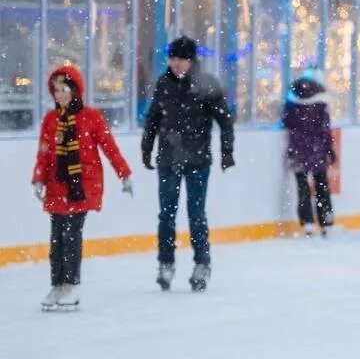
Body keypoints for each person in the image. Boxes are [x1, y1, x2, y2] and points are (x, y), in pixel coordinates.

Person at [31, 65, 133, 311]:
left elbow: (110, 148)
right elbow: (44, 154)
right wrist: (38, 178)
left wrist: (124, 174)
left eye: (64, 89)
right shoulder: (50, 120)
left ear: (75, 90)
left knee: (71, 235)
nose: (59, 94)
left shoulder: (91, 117)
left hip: (82, 186)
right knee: (57, 238)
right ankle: (57, 284)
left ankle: (71, 284)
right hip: (57, 186)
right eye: (56, 90)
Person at [141, 36, 234, 293]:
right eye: (173, 58)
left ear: (192, 60)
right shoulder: (164, 84)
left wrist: (227, 152)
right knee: (166, 215)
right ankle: (166, 263)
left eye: (182, 59)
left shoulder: (206, 85)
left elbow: (225, 120)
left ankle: (202, 263)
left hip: (197, 160)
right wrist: (146, 148)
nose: (177, 64)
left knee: (196, 215)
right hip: (169, 160)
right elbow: (152, 118)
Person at [282, 68, 336, 236]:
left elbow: (287, 121)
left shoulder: (292, 102)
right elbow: (325, 130)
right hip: (317, 150)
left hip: (298, 150)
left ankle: (308, 223)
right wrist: (329, 149)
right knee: (321, 186)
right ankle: (325, 222)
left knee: (303, 187)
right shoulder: (321, 104)